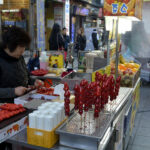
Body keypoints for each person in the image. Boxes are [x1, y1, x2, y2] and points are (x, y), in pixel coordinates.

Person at [0, 26, 43, 104]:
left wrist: (33, 82)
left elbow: (25, 76)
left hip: (23, 102)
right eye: (21, 46)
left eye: (24, 46)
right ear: (9, 45)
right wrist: (13, 91)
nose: (23, 50)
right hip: (5, 108)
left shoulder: (19, 57)